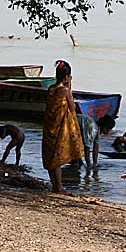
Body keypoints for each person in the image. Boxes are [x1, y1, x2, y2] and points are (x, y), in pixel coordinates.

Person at [42, 60, 84, 193]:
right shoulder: (65, 90)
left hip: (49, 125)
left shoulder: (51, 89)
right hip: (60, 127)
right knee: (57, 157)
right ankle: (59, 187)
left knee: (50, 155)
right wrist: (70, 86)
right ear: (67, 77)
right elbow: (72, 108)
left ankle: (54, 185)